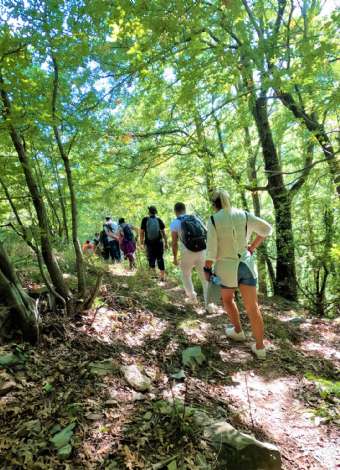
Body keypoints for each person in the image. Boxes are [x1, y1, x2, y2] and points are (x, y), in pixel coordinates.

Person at [204, 189, 272, 360]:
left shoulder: (213, 220)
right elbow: (266, 229)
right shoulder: (244, 214)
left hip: (226, 269)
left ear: (214, 204)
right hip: (246, 265)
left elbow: (211, 250)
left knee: (227, 299)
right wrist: (252, 247)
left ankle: (238, 331)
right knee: (253, 307)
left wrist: (207, 269)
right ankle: (260, 348)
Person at [170, 202, 208, 305]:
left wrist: (174, 257)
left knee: (186, 275)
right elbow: (206, 232)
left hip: (187, 252)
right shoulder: (195, 219)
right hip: (202, 250)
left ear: (175, 211)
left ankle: (192, 299)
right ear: (184, 209)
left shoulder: (175, 222)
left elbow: (174, 243)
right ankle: (208, 305)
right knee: (205, 278)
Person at [140, 206, 168, 281]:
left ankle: (154, 276)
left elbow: (142, 232)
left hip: (149, 243)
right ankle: (162, 277)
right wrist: (166, 242)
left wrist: (141, 242)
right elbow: (164, 233)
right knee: (160, 258)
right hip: (159, 242)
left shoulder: (145, 219)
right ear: (155, 212)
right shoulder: (159, 220)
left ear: (149, 212)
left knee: (151, 258)